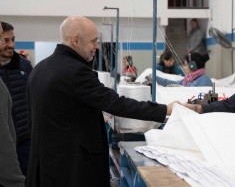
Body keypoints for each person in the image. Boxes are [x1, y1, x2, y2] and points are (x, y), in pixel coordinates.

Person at [26, 16, 178, 187]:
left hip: (45, 168)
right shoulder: (76, 72)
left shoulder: (39, 69)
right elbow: (116, 104)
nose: (97, 46)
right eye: (94, 41)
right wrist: (166, 110)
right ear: (76, 40)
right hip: (71, 171)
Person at [0, 21, 33, 177]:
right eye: (6, 40)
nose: (11, 45)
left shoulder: (25, 66)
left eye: (12, 40)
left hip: (25, 141)